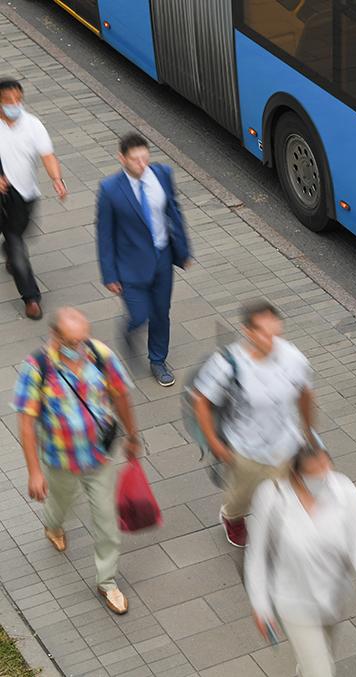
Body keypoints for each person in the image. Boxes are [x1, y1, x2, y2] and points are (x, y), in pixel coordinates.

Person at [12, 307, 140, 615]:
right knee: (60, 503)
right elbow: (27, 423)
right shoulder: (37, 368)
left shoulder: (100, 354)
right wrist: (34, 472)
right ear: (55, 336)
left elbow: (120, 394)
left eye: (83, 338)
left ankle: (107, 581)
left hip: (98, 456)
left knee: (106, 521)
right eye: (72, 341)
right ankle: (53, 526)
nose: (79, 346)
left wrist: (133, 435)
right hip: (60, 459)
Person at [245, 444, 356, 677]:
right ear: (297, 475)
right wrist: (260, 605)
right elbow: (257, 556)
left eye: (326, 467)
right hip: (294, 603)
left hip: (332, 599)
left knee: (320, 660)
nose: (324, 476)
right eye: (315, 473)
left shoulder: (344, 492)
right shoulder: (272, 498)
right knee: (322, 672)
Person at [191, 301, 314, 547]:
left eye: (273, 330)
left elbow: (305, 394)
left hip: (284, 445)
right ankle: (231, 516)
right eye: (261, 331)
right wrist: (214, 443)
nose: (270, 338)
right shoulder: (227, 364)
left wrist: (308, 431)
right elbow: (201, 401)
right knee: (240, 497)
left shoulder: (294, 358)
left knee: (282, 496)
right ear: (247, 331)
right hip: (245, 450)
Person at [96, 133, 191, 387]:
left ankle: (158, 360)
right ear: (122, 158)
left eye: (144, 158)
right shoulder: (110, 190)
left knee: (161, 312)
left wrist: (183, 250)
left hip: (162, 258)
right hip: (129, 265)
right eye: (135, 159)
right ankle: (129, 330)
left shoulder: (162, 174)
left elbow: (174, 211)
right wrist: (110, 274)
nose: (141, 164)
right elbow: (104, 235)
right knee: (140, 314)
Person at [0, 78, 68, 320]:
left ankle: (8, 248)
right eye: (8, 101)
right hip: (2, 197)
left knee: (19, 233)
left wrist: (57, 179)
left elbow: (47, 155)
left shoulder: (33, 125)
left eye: (18, 100)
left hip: (26, 195)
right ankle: (31, 298)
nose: (14, 105)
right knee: (17, 244)